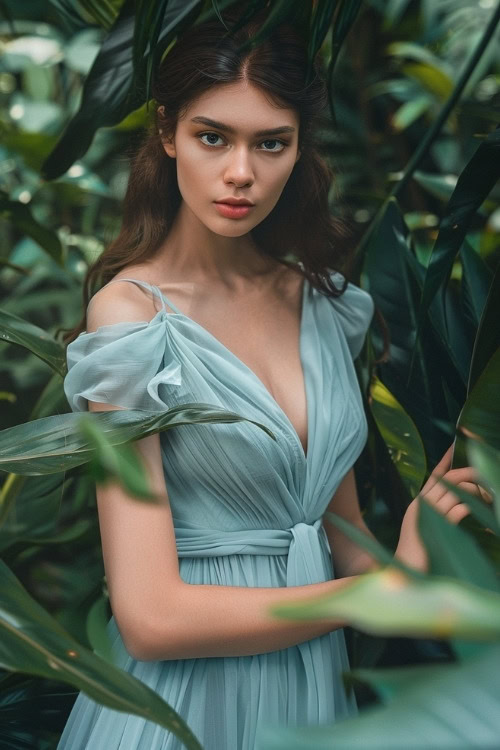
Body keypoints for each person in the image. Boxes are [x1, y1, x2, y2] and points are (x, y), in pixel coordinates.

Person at [57, 6, 484, 750]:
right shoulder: (127, 318)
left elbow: (338, 539)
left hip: (310, 690)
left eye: (271, 143)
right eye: (212, 136)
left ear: (298, 148)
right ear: (166, 133)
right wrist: (375, 592)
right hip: (186, 704)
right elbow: (150, 618)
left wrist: (422, 537)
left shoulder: (321, 304)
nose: (241, 173)